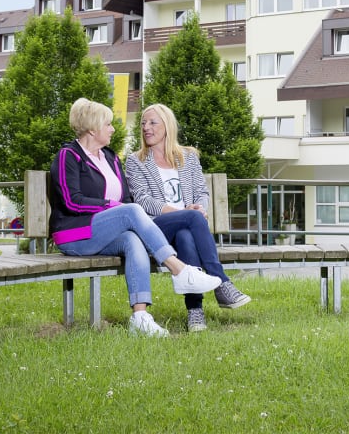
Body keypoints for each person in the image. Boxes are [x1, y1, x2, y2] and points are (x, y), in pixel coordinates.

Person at [49, 98, 222, 337]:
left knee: (133, 239)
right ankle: (180, 271)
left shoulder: (109, 157)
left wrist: (121, 208)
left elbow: (128, 198)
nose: (112, 129)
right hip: (74, 234)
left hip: (103, 232)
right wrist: (113, 207)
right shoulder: (68, 155)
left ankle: (140, 317)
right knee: (130, 211)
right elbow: (72, 200)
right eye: (108, 124)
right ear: (92, 129)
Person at [126, 103, 251, 333]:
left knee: (185, 236)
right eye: (143, 123)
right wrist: (183, 213)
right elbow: (142, 200)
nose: (146, 128)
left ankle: (195, 312)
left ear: (167, 126)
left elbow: (202, 192)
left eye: (153, 122)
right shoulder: (136, 161)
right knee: (190, 221)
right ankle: (221, 282)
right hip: (154, 227)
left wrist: (199, 207)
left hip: (187, 227)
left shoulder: (189, 157)